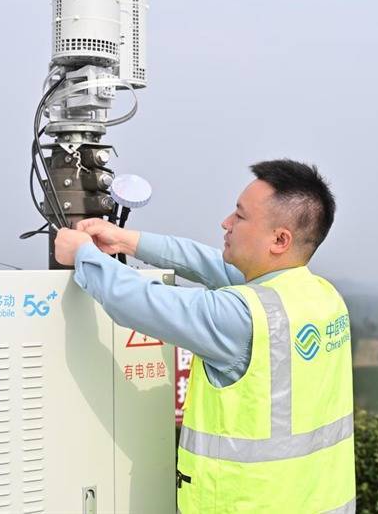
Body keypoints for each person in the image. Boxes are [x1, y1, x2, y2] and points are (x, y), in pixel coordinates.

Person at [54, 159, 356, 514]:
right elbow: (210, 263)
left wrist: (84, 255)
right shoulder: (322, 297)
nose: (226, 223)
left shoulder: (242, 318)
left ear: (279, 239)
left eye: (240, 216)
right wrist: (126, 241)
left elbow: (138, 302)